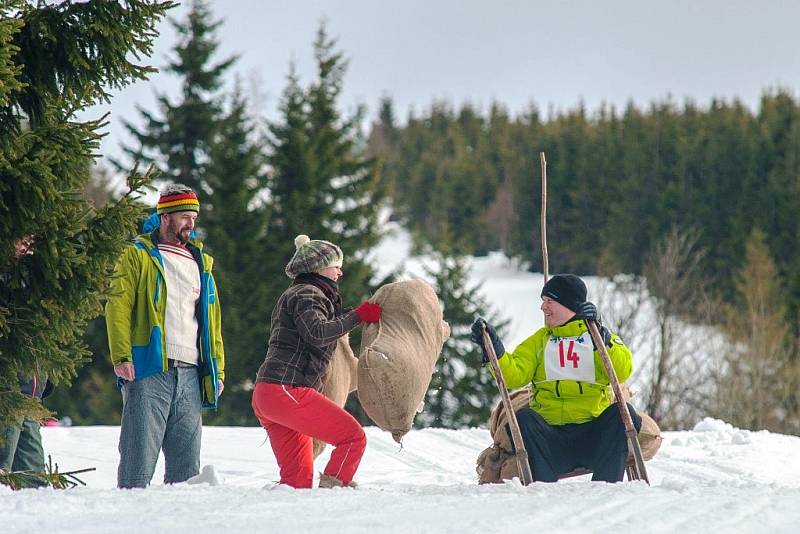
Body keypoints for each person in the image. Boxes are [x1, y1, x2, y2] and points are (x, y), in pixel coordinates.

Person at [105, 184, 225, 489]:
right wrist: (121, 355)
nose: (191, 224)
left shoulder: (202, 264)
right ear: (165, 217)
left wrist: (217, 370)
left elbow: (213, 323)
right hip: (149, 367)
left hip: (191, 373)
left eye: (194, 218)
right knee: (137, 464)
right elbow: (118, 305)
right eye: (185, 216)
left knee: (186, 473)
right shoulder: (138, 254)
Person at [470, 274, 641, 483]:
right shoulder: (540, 341)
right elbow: (513, 377)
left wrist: (604, 343)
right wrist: (494, 351)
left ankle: (607, 487)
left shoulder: (600, 336)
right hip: (552, 441)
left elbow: (623, 371)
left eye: (549, 301)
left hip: (593, 437)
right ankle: (542, 487)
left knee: (624, 415)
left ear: (569, 304)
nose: (543, 307)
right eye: (543, 301)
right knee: (524, 418)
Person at [252, 234, 382, 489]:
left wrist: (352, 317)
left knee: (296, 483)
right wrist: (357, 316)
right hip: (286, 390)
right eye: (336, 265)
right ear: (319, 267)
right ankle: (334, 492)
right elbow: (317, 332)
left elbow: (316, 327)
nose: (340, 272)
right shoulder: (307, 294)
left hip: (269, 393)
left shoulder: (300, 293)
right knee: (353, 439)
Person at [1, 237, 52, 487]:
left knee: (34, 480)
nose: (26, 246)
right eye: (20, 239)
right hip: (9, 392)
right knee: (3, 467)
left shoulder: (34, 280)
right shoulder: (6, 277)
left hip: (32, 391)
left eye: (30, 240)